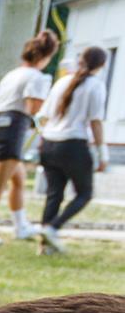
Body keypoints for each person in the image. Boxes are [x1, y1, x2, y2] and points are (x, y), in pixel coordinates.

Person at [0, 30, 59, 247]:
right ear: (45, 56)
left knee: (18, 180)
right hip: (12, 128)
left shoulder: (12, 74)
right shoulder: (37, 77)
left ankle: (21, 226)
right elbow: (33, 107)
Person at [35, 45, 109, 256]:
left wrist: (42, 138)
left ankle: (45, 246)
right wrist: (102, 153)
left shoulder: (62, 82)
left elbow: (43, 116)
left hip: (49, 142)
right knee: (84, 193)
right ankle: (53, 228)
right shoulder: (95, 86)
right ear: (102, 65)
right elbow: (95, 121)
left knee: (54, 194)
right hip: (73, 144)